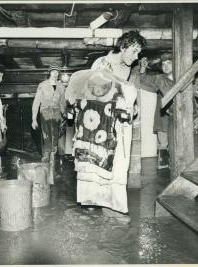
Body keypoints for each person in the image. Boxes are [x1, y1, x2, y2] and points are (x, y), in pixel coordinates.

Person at [67, 30, 146, 223]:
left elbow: (122, 92)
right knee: (98, 162)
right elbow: (93, 92)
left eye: (138, 53)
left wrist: (132, 107)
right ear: (123, 46)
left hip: (117, 122)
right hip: (98, 122)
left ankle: (113, 204)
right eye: (134, 51)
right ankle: (96, 201)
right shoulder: (103, 64)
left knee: (118, 164)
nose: (136, 57)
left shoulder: (126, 68)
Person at [139, 53, 198, 170]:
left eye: (169, 63)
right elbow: (143, 79)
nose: (165, 66)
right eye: (163, 64)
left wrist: (196, 86)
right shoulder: (159, 79)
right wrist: (143, 67)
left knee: (194, 150)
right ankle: (176, 177)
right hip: (173, 119)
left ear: (176, 64)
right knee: (174, 150)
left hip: (191, 118)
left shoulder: (186, 76)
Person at [31, 65, 66, 184]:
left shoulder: (61, 87)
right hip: (45, 113)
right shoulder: (42, 85)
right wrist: (33, 119)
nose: (55, 74)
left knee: (55, 142)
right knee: (47, 142)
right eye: (53, 72)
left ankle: (52, 171)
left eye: (57, 72)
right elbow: (36, 102)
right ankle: (45, 172)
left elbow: (62, 103)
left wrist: (65, 115)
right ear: (49, 73)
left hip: (56, 114)